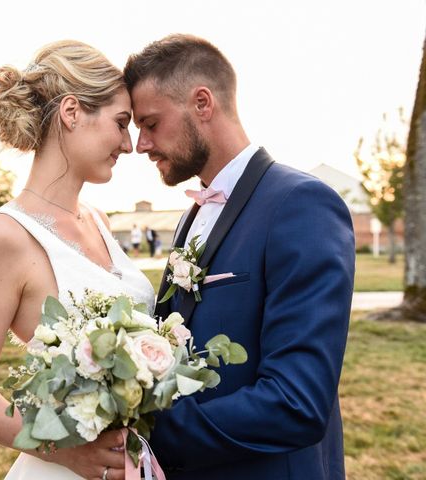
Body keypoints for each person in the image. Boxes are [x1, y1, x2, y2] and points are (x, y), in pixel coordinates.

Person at [124, 34, 355, 480]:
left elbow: (296, 401)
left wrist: (150, 431)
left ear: (203, 103)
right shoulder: (192, 214)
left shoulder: (301, 204)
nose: (141, 144)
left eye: (150, 123)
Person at [0, 40, 155, 480]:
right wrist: (60, 449)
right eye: (121, 123)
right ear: (71, 112)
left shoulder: (98, 221)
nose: (129, 143)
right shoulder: (4, 236)